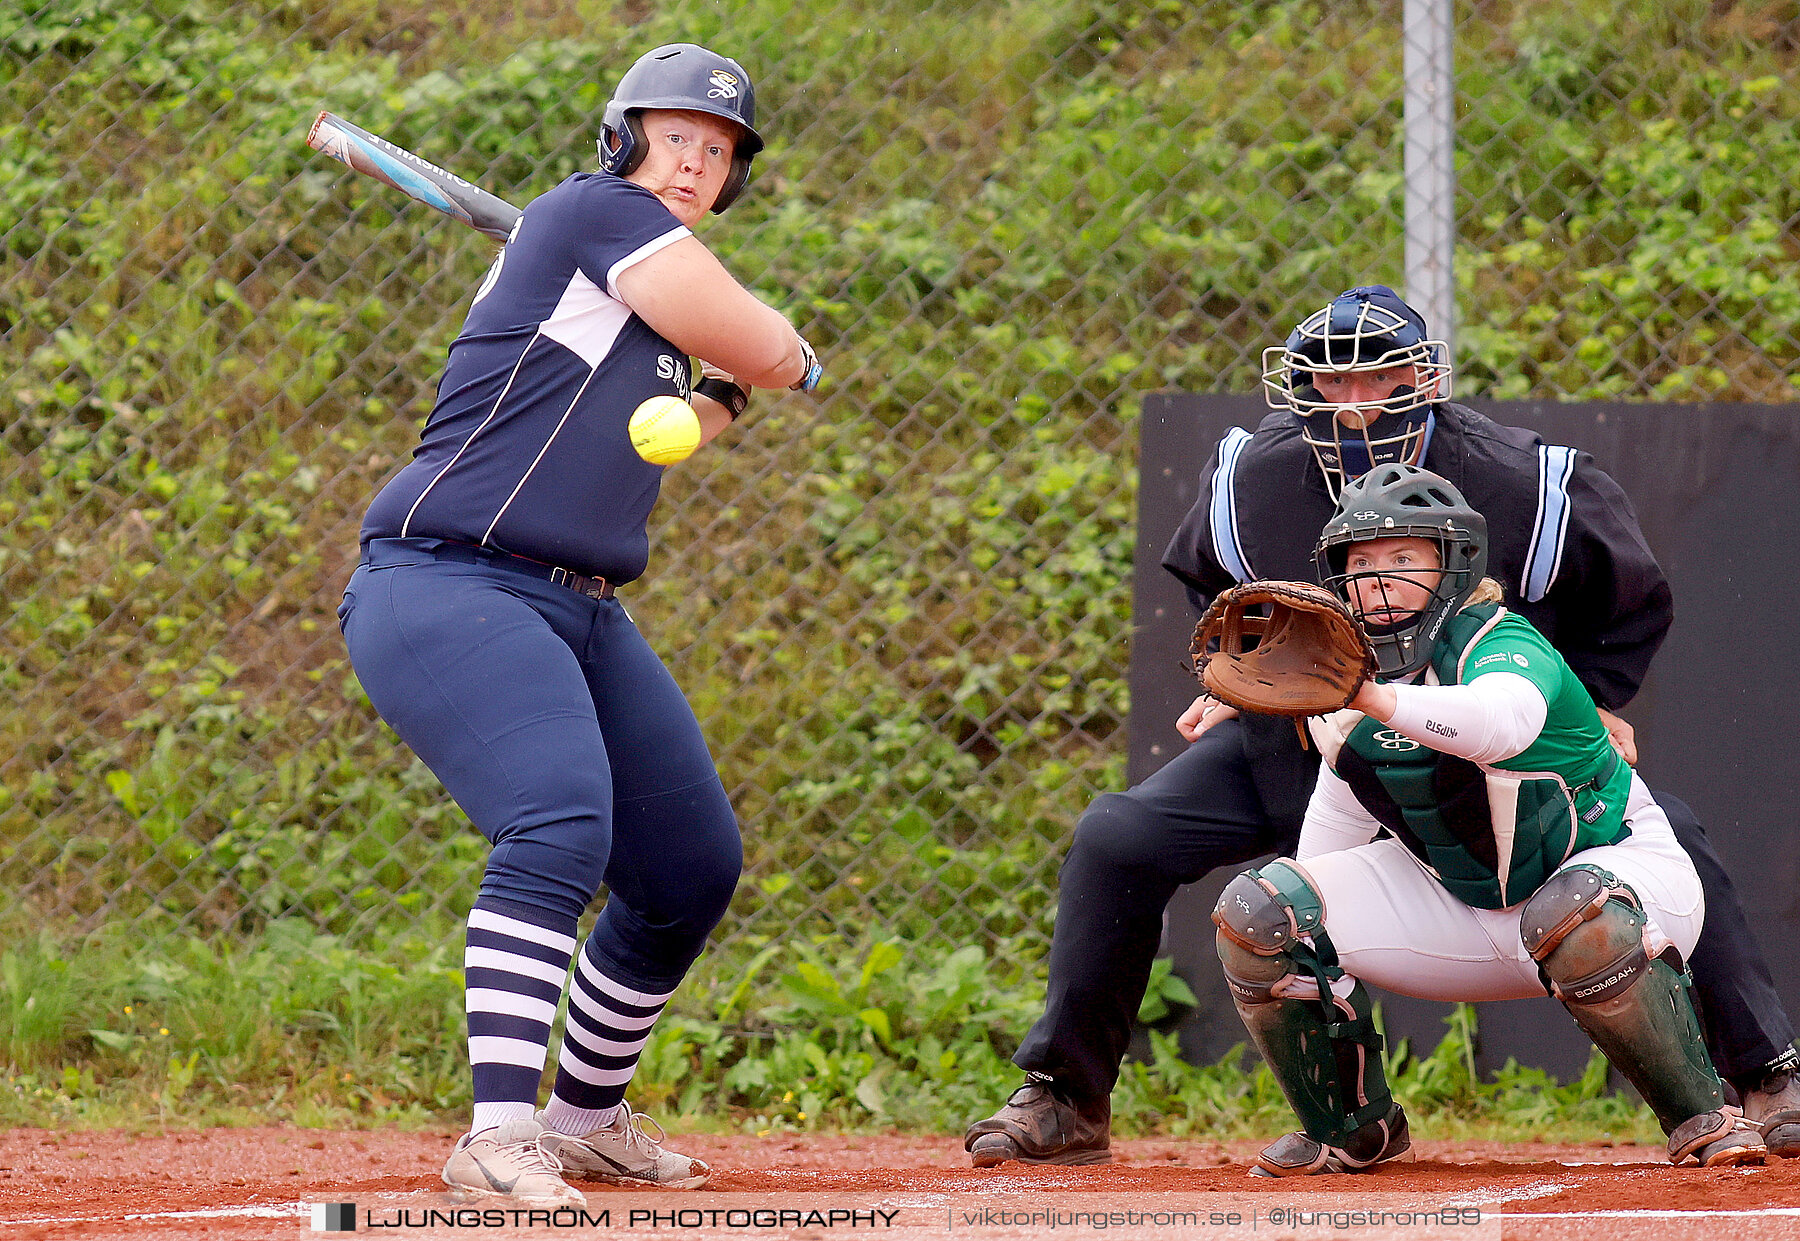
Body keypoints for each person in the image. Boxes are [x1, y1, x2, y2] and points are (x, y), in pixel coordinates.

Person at [964, 285, 1799, 1167]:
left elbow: (1630, 593)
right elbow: (1214, 585)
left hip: (1479, 758)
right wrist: (1244, 672)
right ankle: (1067, 1097)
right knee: (1117, 833)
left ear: (1425, 376)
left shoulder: (1524, 480)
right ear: (1299, 388)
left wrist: (1587, 693)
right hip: (1307, 746)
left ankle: (1770, 1073)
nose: (1356, 403)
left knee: (1665, 834)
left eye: (1383, 375)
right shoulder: (1252, 475)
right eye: (1332, 382)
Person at [337, 43, 820, 1205]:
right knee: (556, 825)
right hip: (447, 578)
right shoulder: (591, 213)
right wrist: (787, 351)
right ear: (624, 140)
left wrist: (731, 387)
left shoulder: (630, 286)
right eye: (676, 139)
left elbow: (688, 414)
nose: (694, 165)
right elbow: (756, 340)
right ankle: (496, 1135)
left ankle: (584, 1118)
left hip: (582, 604)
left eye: (716, 153)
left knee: (689, 868)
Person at [1215, 463, 1765, 1174]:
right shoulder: (1339, 690)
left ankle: (1701, 1112)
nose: (1377, 580)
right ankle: (1351, 1126)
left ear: (1453, 562)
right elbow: (1330, 835)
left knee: (1579, 914)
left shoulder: (1500, 640)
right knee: (1261, 911)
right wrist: (1298, 936)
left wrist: (1371, 697)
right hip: (1462, 908)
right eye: (1361, 562)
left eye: (1403, 558)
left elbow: (1497, 725)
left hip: (1617, 885)